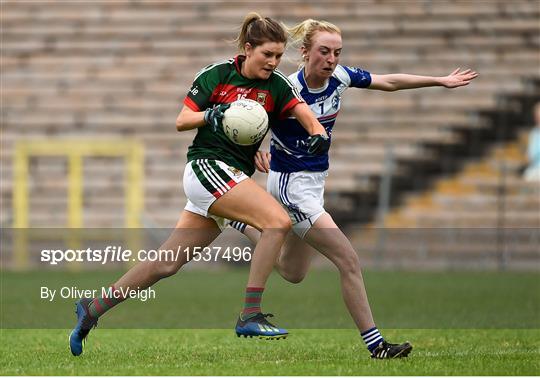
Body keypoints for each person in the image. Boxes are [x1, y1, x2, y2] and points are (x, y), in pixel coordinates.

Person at [69, 13, 333, 356]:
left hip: (231, 178)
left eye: (279, 55)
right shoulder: (217, 75)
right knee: (277, 221)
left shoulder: (278, 85)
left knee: (165, 264)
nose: (273, 61)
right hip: (207, 168)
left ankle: (92, 310)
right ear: (248, 48)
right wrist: (214, 114)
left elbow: (307, 118)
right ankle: (250, 314)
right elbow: (182, 120)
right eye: (267, 54)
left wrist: (317, 136)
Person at [232, 18, 478, 359]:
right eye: (324, 51)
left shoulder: (341, 78)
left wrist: (439, 80)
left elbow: (389, 81)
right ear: (304, 52)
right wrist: (253, 149)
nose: (331, 59)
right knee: (348, 260)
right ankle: (376, 345)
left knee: (293, 271)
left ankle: (247, 226)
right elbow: (250, 119)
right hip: (290, 185)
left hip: (314, 184)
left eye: (337, 52)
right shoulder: (286, 89)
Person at [523, 102, 540, 182]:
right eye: (536, 115)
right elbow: (530, 155)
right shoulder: (534, 133)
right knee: (528, 175)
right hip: (534, 169)